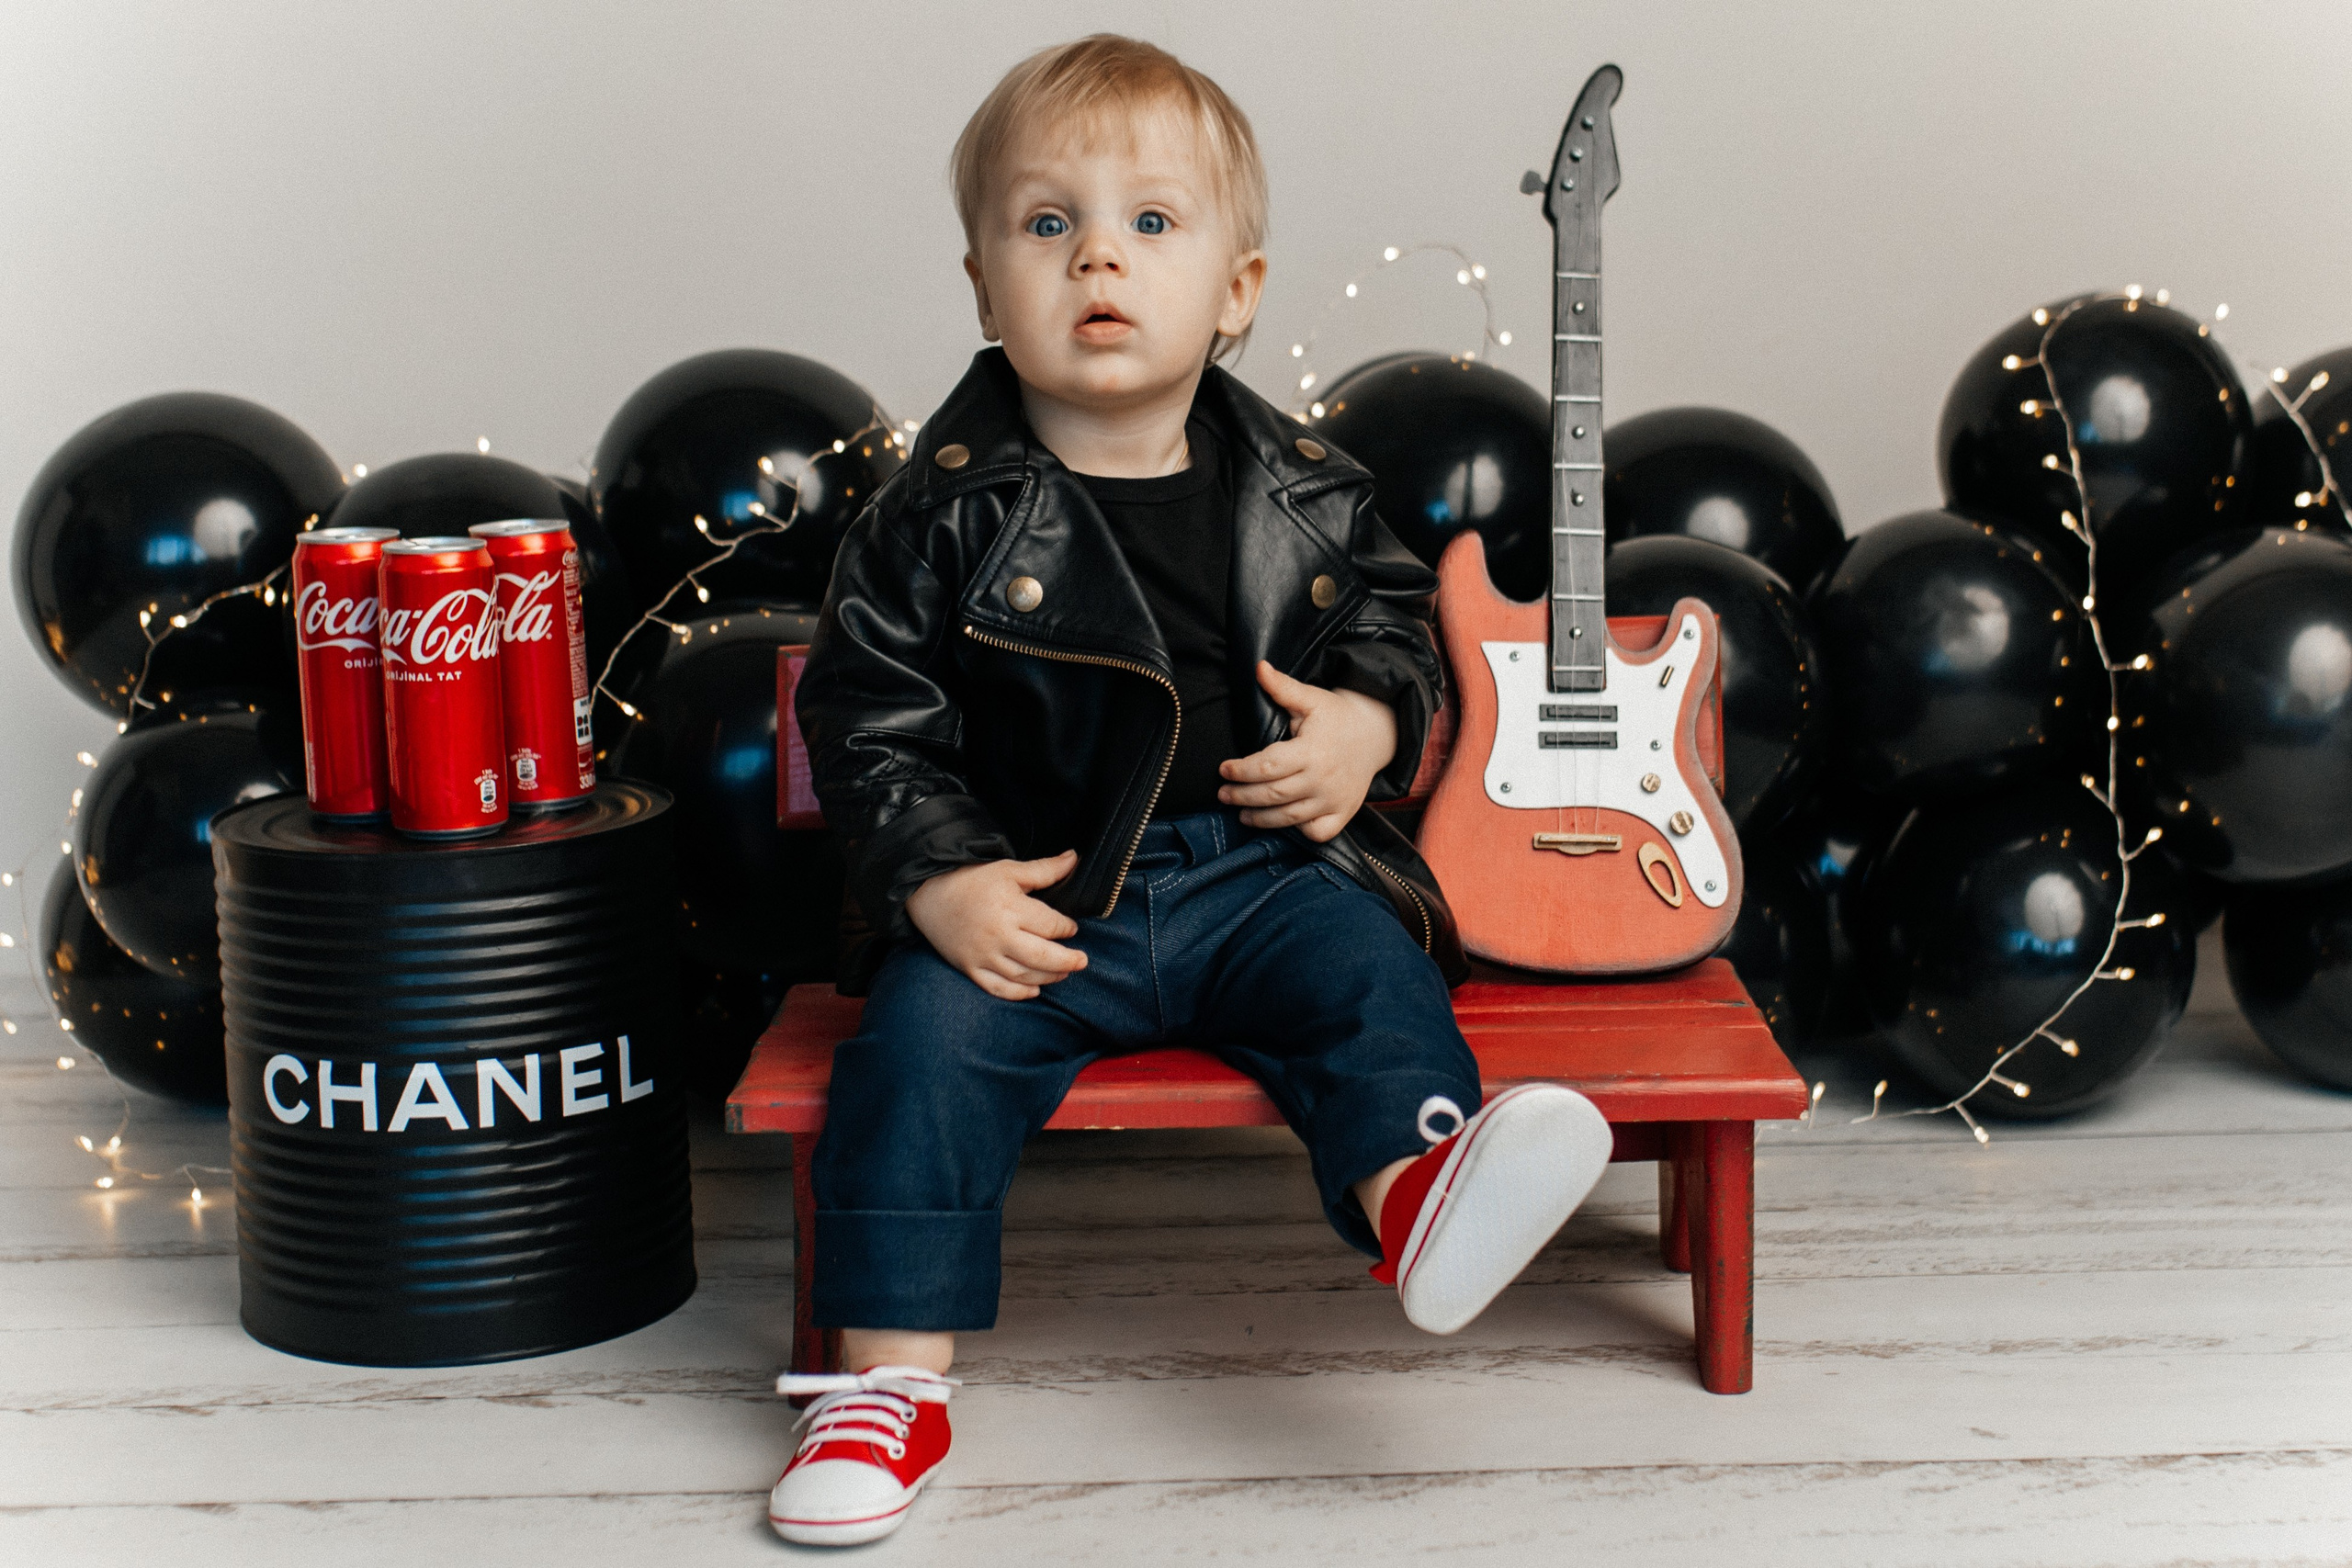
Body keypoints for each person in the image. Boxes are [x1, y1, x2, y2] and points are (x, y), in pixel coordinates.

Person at [775, 34, 1613, 1547]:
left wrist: (1369, 727)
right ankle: (885, 1382)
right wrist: (941, 880)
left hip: (1257, 878)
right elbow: (866, 710)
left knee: (1371, 978)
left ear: (1236, 292)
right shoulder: (938, 510)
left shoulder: (1304, 484)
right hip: (1039, 900)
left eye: (1152, 224)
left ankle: (1418, 1188)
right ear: (983, 286)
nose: (1099, 252)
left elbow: (1395, 625)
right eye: (1049, 225)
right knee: (917, 1056)